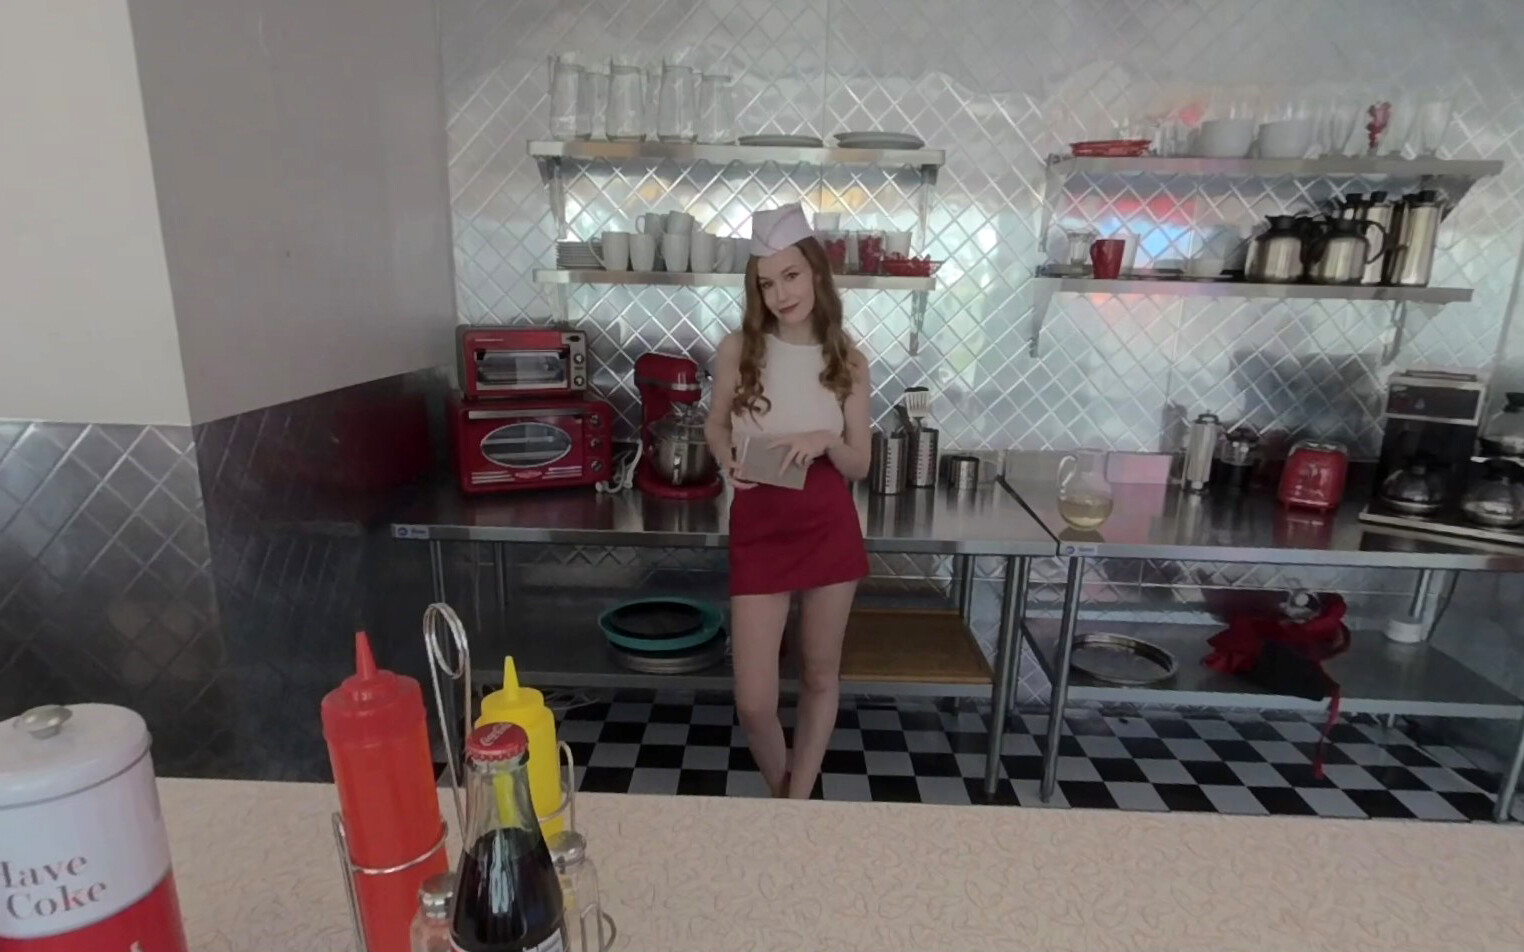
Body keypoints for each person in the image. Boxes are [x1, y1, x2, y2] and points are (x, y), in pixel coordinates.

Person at [703, 203, 872, 799]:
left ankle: (795, 805)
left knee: (820, 674)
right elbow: (715, 425)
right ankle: (787, 795)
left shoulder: (848, 360)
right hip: (758, 524)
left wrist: (827, 440)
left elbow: (860, 463)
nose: (781, 294)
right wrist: (724, 457)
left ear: (817, 272)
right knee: (754, 702)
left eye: (791, 276)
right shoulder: (738, 349)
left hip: (827, 523)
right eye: (767, 284)